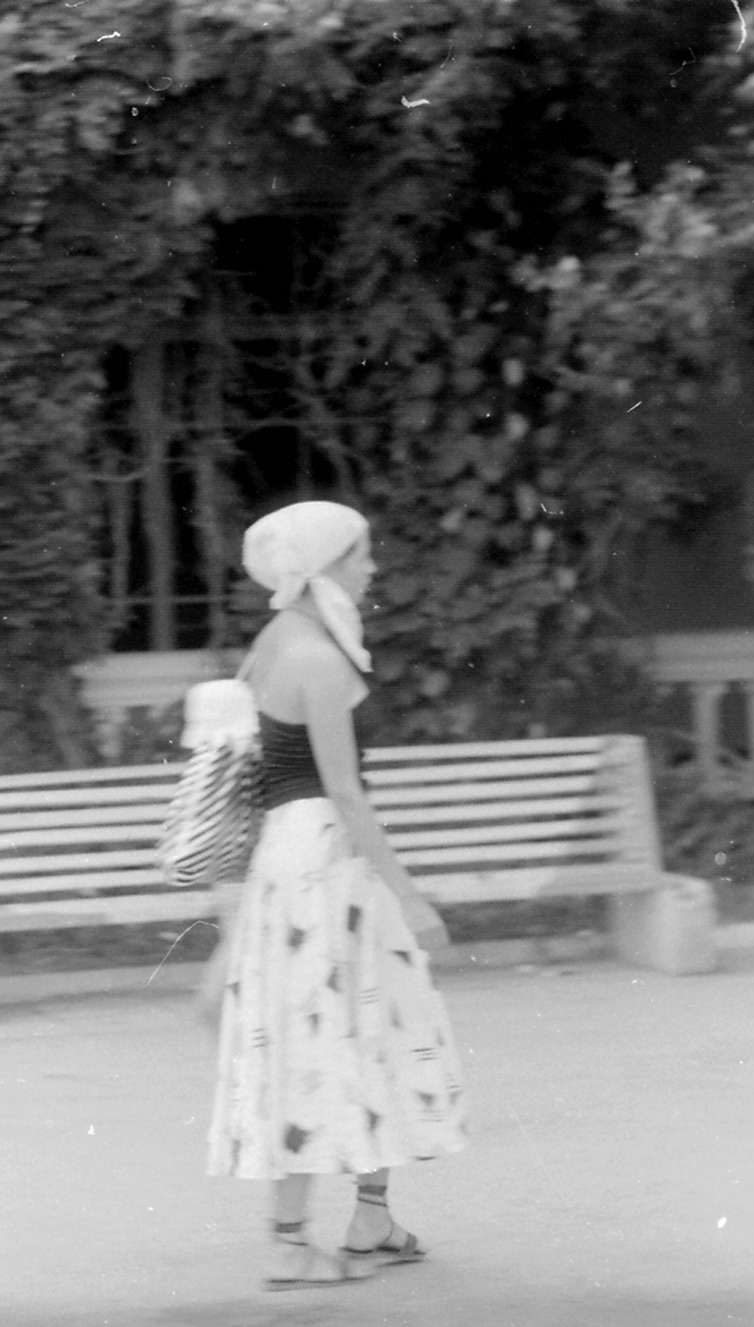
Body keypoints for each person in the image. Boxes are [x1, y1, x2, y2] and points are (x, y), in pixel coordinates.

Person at [204, 500, 469, 1292]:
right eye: (360, 554)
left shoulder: (278, 638)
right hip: (324, 862)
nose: (372, 567)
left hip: (298, 861)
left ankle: (371, 1219)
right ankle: (288, 1245)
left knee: (373, 1021)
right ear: (322, 565)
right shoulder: (316, 655)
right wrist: (412, 898)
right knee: (323, 1038)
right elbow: (346, 791)